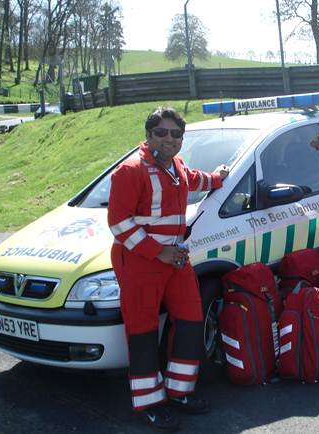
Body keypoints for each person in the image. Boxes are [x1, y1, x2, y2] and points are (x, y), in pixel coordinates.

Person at [107, 107, 229, 431]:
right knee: (143, 333)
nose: (169, 138)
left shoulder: (176, 166)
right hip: (140, 263)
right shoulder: (130, 171)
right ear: (148, 135)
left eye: (176, 134)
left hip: (175, 260)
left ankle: (180, 392)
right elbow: (119, 223)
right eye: (161, 132)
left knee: (190, 322)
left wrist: (219, 177)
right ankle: (149, 403)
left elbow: (195, 180)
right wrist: (158, 252)